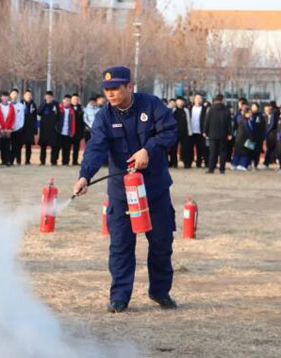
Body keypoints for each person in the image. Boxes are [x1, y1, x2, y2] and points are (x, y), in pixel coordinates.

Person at [72, 66, 178, 313]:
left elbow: (170, 131)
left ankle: (160, 292)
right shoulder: (104, 117)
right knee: (121, 244)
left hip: (154, 188)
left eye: (115, 89)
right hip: (122, 192)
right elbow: (96, 148)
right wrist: (84, 176)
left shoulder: (151, 106)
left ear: (129, 86)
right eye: (106, 89)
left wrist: (148, 150)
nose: (109, 94)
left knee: (162, 241)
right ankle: (119, 297)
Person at [203, 94, 232, 174]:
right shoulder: (226, 109)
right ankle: (222, 169)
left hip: (212, 134)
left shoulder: (211, 109)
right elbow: (229, 123)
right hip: (223, 134)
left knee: (212, 152)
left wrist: (205, 131)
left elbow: (207, 121)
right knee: (223, 152)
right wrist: (229, 133)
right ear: (222, 100)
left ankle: (211, 168)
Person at [53, 95, 76, 166]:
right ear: (63, 101)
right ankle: (54, 161)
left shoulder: (72, 111)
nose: (66, 102)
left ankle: (65, 162)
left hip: (68, 132)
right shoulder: (59, 109)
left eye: (68, 100)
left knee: (67, 149)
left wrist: (72, 132)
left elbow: (73, 123)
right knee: (56, 147)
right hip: (59, 132)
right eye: (65, 100)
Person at [37, 91, 59, 166]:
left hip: (53, 129)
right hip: (44, 128)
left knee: (54, 146)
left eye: (50, 97)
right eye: (47, 97)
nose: (48, 98)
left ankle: (53, 161)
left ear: (52, 98)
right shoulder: (43, 104)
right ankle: (42, 161)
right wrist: (44, 104)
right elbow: (38, 112)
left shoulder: (56, 105)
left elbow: (59, 115)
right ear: (45, 97)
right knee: (43, 146)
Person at [0, 92, 15, 166]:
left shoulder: (11, 107)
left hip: (8, 129)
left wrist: (10, 128)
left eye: (6, 97)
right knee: (0, 145)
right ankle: (2, 160)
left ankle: (7, 161)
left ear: (8, 98)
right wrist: (0, 128)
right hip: (0, 130)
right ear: (1, 98)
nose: (5, 98)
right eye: (4, 97)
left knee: (7, 145)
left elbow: (13, 118)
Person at [189, 94, 208, 169]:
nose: (198, 100)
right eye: (196, 98)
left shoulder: (204, 109)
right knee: (190, 148)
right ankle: (189, 162)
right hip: (191, 131)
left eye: (199, 98)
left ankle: (198, 163)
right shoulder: (190, 108)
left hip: (200, 132)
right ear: (194, 100)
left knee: (200, 149)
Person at [172, 97, 192, 168]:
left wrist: (190, 132)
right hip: (175, 133)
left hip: (185, 133)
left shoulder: (186, 110)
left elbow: (188, 121)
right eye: (179, 101)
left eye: (181, 101)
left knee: (185, 149)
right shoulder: (173, 111)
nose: (180, 102)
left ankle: (186, 163)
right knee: (174, 148)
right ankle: (174, 163)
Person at [21, 89, 38, 165]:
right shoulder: (21, 104)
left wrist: (35, 129)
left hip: (30, 128)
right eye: (27, 95)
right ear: (24, 96)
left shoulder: (33, 105)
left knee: (29, 145)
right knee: (19, 145)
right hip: (22, 127)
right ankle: (18, 160)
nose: (29, 97)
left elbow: (35, 118)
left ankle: (27, 160)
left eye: (30, 95)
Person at [9, 89, 26, 165]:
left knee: (17, 146)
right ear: (10, 95)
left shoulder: (21, 106)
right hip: (8, 129)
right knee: (8, 146)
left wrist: (20, 127)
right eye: (13, 94)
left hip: (17, 129)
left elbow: (22, 118)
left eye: (16, 94)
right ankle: (9, 160)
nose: (14, 95)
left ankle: (18, 161)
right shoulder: (8, 104)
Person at [250, 103, 266, 170]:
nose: (253, 108)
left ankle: (255, 164)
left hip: (258, 138)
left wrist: (263, 137)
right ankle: (249, 164)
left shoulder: (260, 116)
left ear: (258, 108)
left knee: (257, 152)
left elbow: (263, 127)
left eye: (255, 107)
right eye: (252, 107)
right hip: (250, 137)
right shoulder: (249, 115)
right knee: (250, 151)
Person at [71, 93, 85, 165]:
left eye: (77, 99)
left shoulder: (81, 109)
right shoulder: (68, 108)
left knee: (76, 148)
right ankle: (65, 161)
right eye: (74, 99)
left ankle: (74, 161)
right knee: (66, 147)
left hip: (78, 132)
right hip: (69, 131)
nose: (75, 101)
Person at [263, 102, 278, 169]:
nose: (266, 111)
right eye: (265, 110)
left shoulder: (273, 115)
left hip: (272, 135)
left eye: (268, 109)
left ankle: (268, 162)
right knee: (270, 149)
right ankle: (267, 162)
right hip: (268, 135)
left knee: (272, 149)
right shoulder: (265, 116)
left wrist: (267, 131)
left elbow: (272, 125)